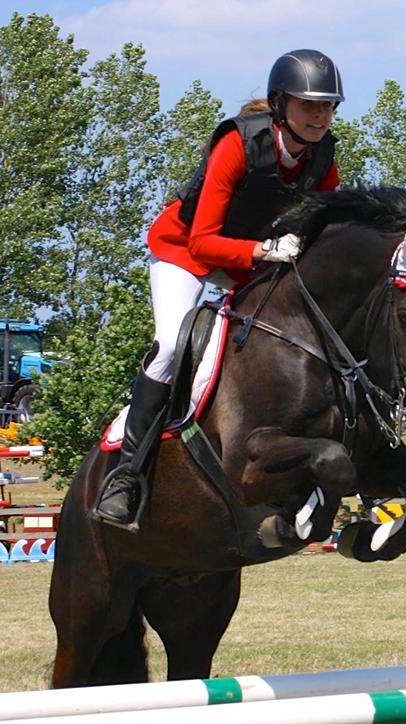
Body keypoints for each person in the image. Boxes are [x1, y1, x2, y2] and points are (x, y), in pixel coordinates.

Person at [90, 49, 344, 529]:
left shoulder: (322, 157)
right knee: (169, 347)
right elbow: (205, 241)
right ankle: (125, 478)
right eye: (309, 104)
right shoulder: (237, 144)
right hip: (185, 254)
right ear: (278, 104)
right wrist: (265, 251)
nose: (320, 115)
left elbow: (321, 231)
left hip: (249, 262)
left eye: (328, 106)